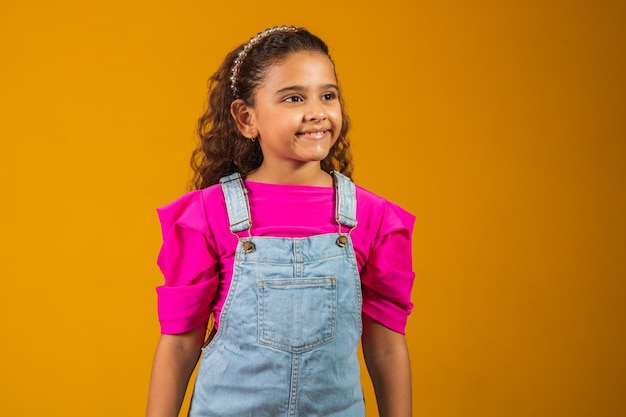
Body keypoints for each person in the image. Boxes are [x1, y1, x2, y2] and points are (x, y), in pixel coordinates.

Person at [146, 26, 415, 417]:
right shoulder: (206, 215)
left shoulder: (375, 218)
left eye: (328, 95)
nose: (317, 112)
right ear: (246, 118)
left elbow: (387, 347)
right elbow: (179, 344)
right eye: (293, 98)